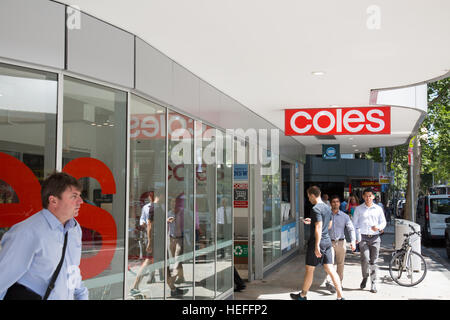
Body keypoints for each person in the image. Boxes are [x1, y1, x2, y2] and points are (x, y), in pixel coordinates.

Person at [0, 172, 88, 300]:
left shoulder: (74, 229)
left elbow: (72, 271)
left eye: (79, 196)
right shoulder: (27, 232)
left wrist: (82, 296)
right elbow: (3, 278)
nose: (80, 201)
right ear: (53, 201)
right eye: (74, 196)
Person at [290, 186, 344, 300]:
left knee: (310, 270)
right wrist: (313, 221)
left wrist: (316, 246)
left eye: (309, 196)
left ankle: (303, 295)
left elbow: (319, 227)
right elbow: (328, 225)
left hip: (317, 242)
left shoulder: (315, 209)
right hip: (327, 241)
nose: (308, 199)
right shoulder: (327, 208)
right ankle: (340, 296)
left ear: (313, 195)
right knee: (330, 269)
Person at [352, 188, 386, 294]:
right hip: (363, 238)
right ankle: (365, 277)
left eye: (370, 196)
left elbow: (383, 222)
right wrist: (356, 238)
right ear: (363, 197)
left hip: (375, 238)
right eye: (366, 196)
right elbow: (354, 224)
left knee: (374, 261)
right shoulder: (358, 209)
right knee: (365, 259)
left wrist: (379, 227)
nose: (368, 198)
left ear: (373, 197)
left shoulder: (378, 208)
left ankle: (373, 282)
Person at [324, 195, 356, 292]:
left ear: (339, 203)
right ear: (331, 203)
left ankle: (339, 283)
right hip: (329, 243)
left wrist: (353, 241)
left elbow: (351, 229)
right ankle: (329, 282)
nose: (335, 203)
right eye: (333, 202)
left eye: (337, 201)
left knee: (340, 264)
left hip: (341, 243)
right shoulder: (326, 215)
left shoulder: (345, 216)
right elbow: (319, 225)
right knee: (329, 263)